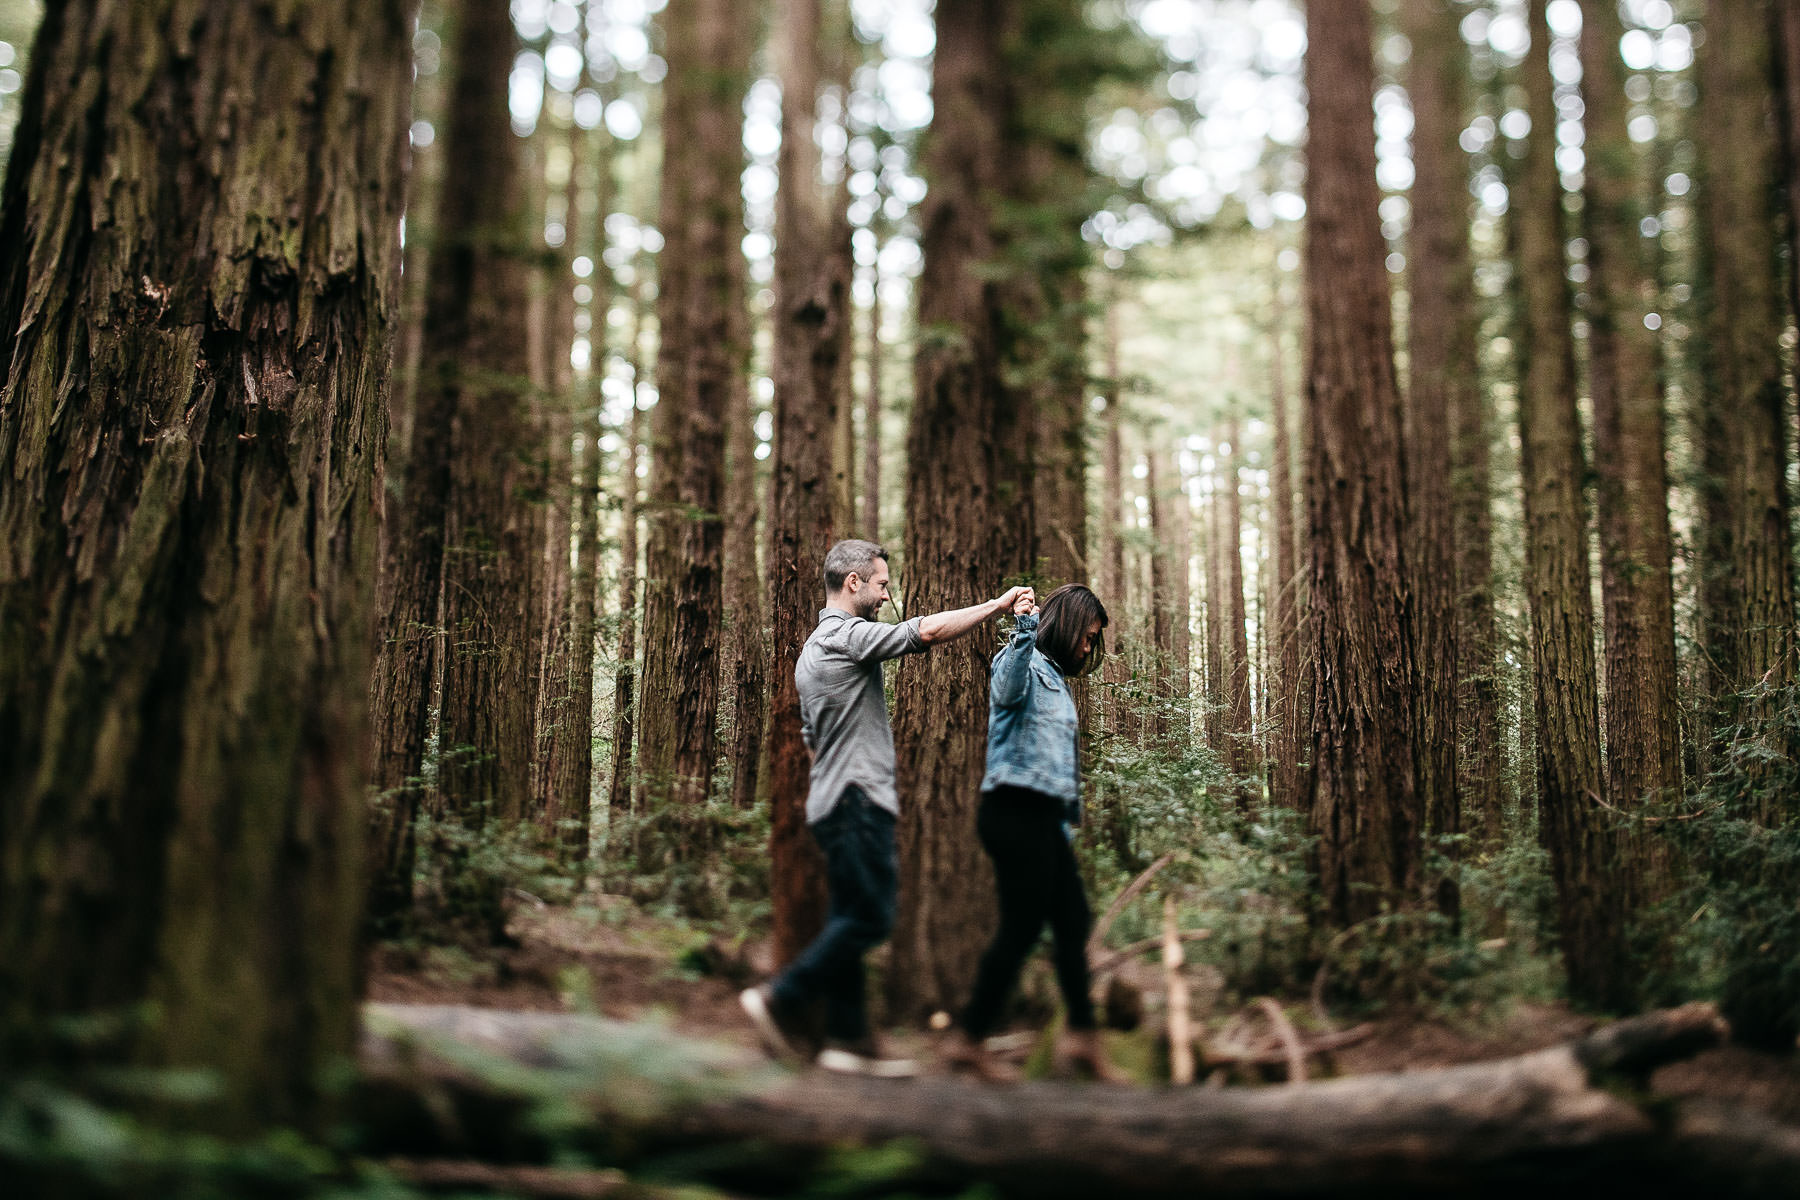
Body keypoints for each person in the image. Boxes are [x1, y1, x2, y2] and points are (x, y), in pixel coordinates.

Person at [741, 538, 1031, 1077]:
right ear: (853, 582)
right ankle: (782, 997)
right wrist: (995, 606)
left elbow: (811, 737)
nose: (885, 594)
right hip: (856, 800)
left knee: (849, 916)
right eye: (880, 584)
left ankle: (847, 1042)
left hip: (832, 801)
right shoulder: (844, 636)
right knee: (872, 916)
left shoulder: (811, 652)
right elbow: (921, 632)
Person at [944, 582, 1126, 1083]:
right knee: (1024, 927)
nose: (1087, 648)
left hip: (1043, 818)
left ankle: (1081, 1039)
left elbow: (1057, 767)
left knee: (1072, 921)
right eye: (1086, 637)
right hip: (1013, 808)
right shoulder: (1018, 661)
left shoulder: (1056, 682)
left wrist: (1063, 833)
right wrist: (1023, 626)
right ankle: (969, 1037)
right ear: (1065, 624)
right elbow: (1004, 693)